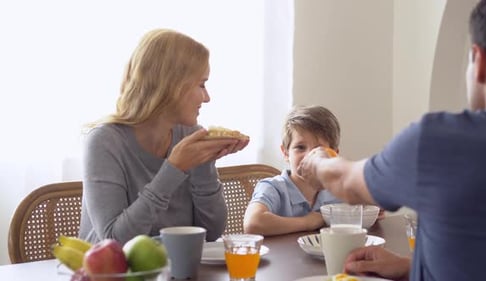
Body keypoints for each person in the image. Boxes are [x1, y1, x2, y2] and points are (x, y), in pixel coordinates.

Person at [297, 0, 486, 280]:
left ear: (479, 61)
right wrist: (412, 266)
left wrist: (318, 161)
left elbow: (346, 182)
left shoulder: (438, 142)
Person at [78, 29, 249, 245]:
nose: (207, 98)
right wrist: (174, 169)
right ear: (171, 86)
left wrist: (205, 163)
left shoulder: (191, 135)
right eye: (201, 85)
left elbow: (210, 233)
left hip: (173, 270)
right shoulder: (104, 142)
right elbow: (114, 241)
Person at [243, 105, 343, 236]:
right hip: (281, 256)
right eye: (300, 147)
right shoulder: (273, 188)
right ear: (285, 153)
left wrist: (374, 212)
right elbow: (253, 224)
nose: (309, 156)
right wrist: (307, 222)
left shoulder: (337, 190)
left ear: (333, 155)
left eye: (318, 150)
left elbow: (359, 214)